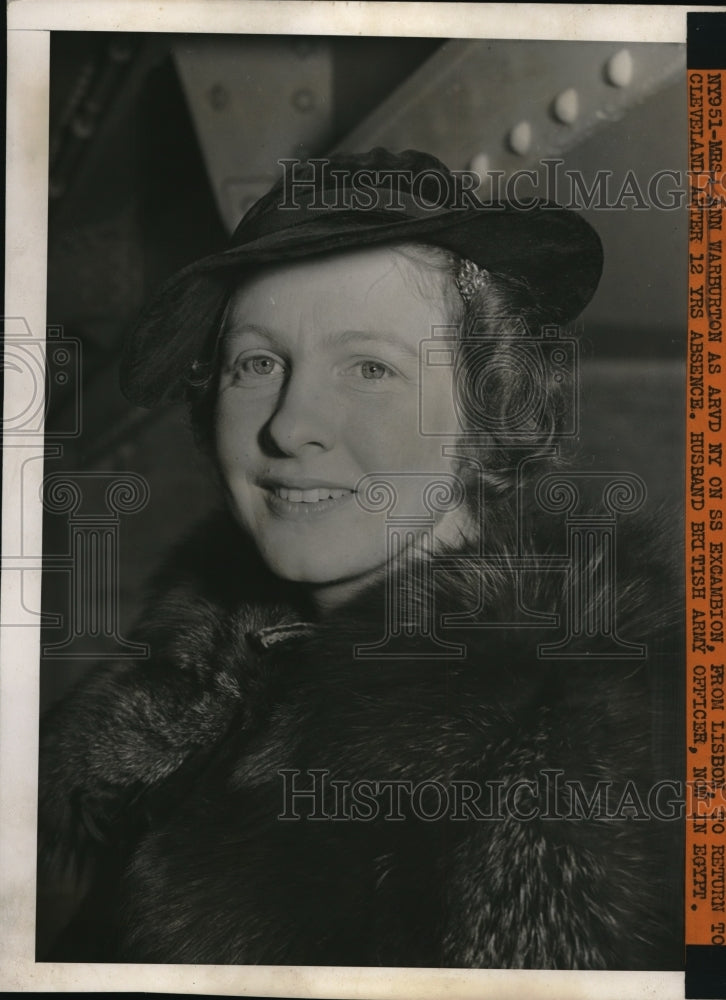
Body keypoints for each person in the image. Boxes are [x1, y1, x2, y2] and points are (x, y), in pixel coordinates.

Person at [37, 148, 682, 968]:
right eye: (258, 364)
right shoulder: (202, 690)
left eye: (369, 367)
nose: (288, 424)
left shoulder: (582, 753)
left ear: (488, 409)